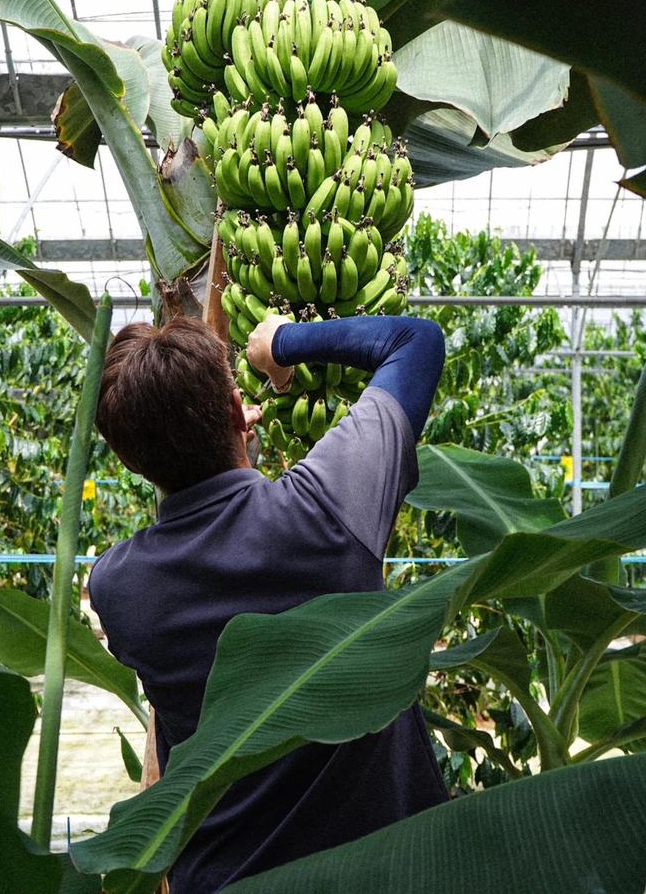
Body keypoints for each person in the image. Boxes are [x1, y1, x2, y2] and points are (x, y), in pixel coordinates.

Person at [90, 311, 447, 892]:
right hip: (380, 869)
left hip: (225, 875)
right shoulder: (324, 513)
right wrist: (280, 342)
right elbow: (416, 340)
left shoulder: (116, 588)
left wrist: (228, 455)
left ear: (129, 460)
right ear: (237, 412)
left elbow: (217, 555)